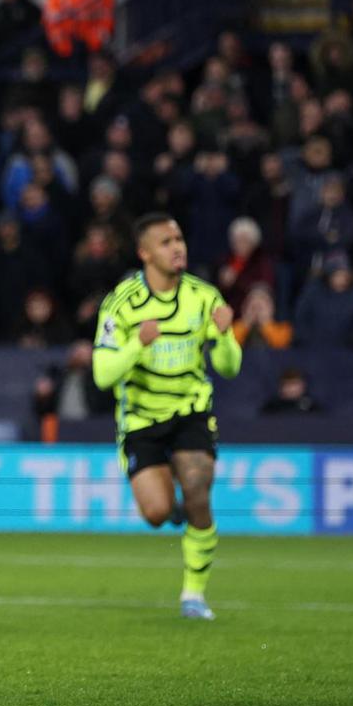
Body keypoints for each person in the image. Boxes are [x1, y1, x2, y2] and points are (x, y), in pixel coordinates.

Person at [92, 213, 242, 621]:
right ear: (144, 253)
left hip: (191, 411)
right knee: (157, 513)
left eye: (179, 239)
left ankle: (194, 594)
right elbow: (103, 374)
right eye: (166, 242)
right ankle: (173, 506)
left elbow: (229, 368)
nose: (177, 247)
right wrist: (138, 345)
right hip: (141, 419)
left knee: (198, 488)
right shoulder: (122, 303)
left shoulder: (203, 297)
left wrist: (225, 336)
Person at [42, 0, 114, 60]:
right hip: (65, 45)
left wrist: (95, 41)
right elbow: (50, 20)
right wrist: (62, 45)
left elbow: (107, 20)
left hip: (91, 47)